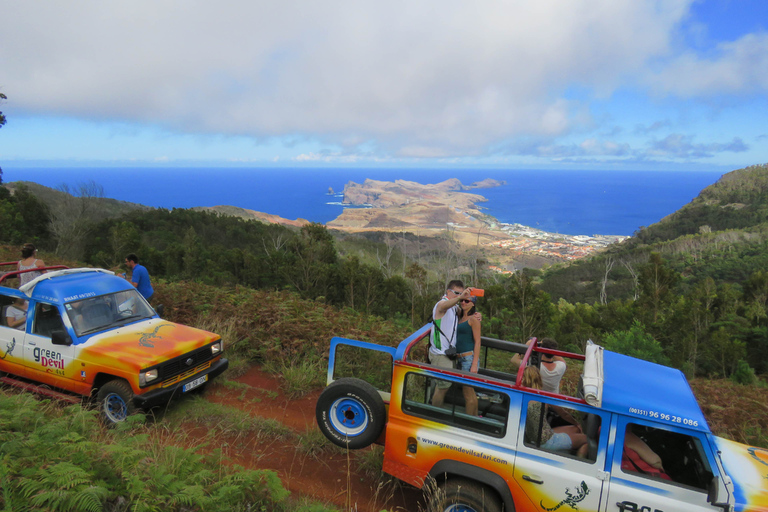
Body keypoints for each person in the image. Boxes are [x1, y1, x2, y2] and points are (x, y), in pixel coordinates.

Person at [523, 366, 588, 457]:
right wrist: (577, 423)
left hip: (532, 437)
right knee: (586, 440)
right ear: (539, 378)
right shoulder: (544, 396)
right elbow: (564, 414)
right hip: (547, 441)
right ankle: (578, 463)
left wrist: (577, 425)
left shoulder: (521, 397)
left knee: (575, 429)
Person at [429, 280, 473, 408]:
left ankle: (435, 408)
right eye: (456, 293)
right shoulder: (441, 304)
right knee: (443, 387)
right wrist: (460, 297)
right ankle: (434, 412)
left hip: (448, 353)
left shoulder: (454, 307)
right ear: (448, 291)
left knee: (444, 385)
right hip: (440, 354)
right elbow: (443, 306)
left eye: (461, 293)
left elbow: (464, 314)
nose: (460, 296)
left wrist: (475, 314)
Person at [455, 295, 482, 415]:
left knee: (468, 393)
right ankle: (475, 417)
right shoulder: (460, 316)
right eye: (462, 300)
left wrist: (474, 364)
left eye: (467, 301)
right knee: (470, 392)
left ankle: (468, 422)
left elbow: (477, 342)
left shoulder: (473, 319)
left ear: (473, 304)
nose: (463, 303)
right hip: (460, 358)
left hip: (468, 359)